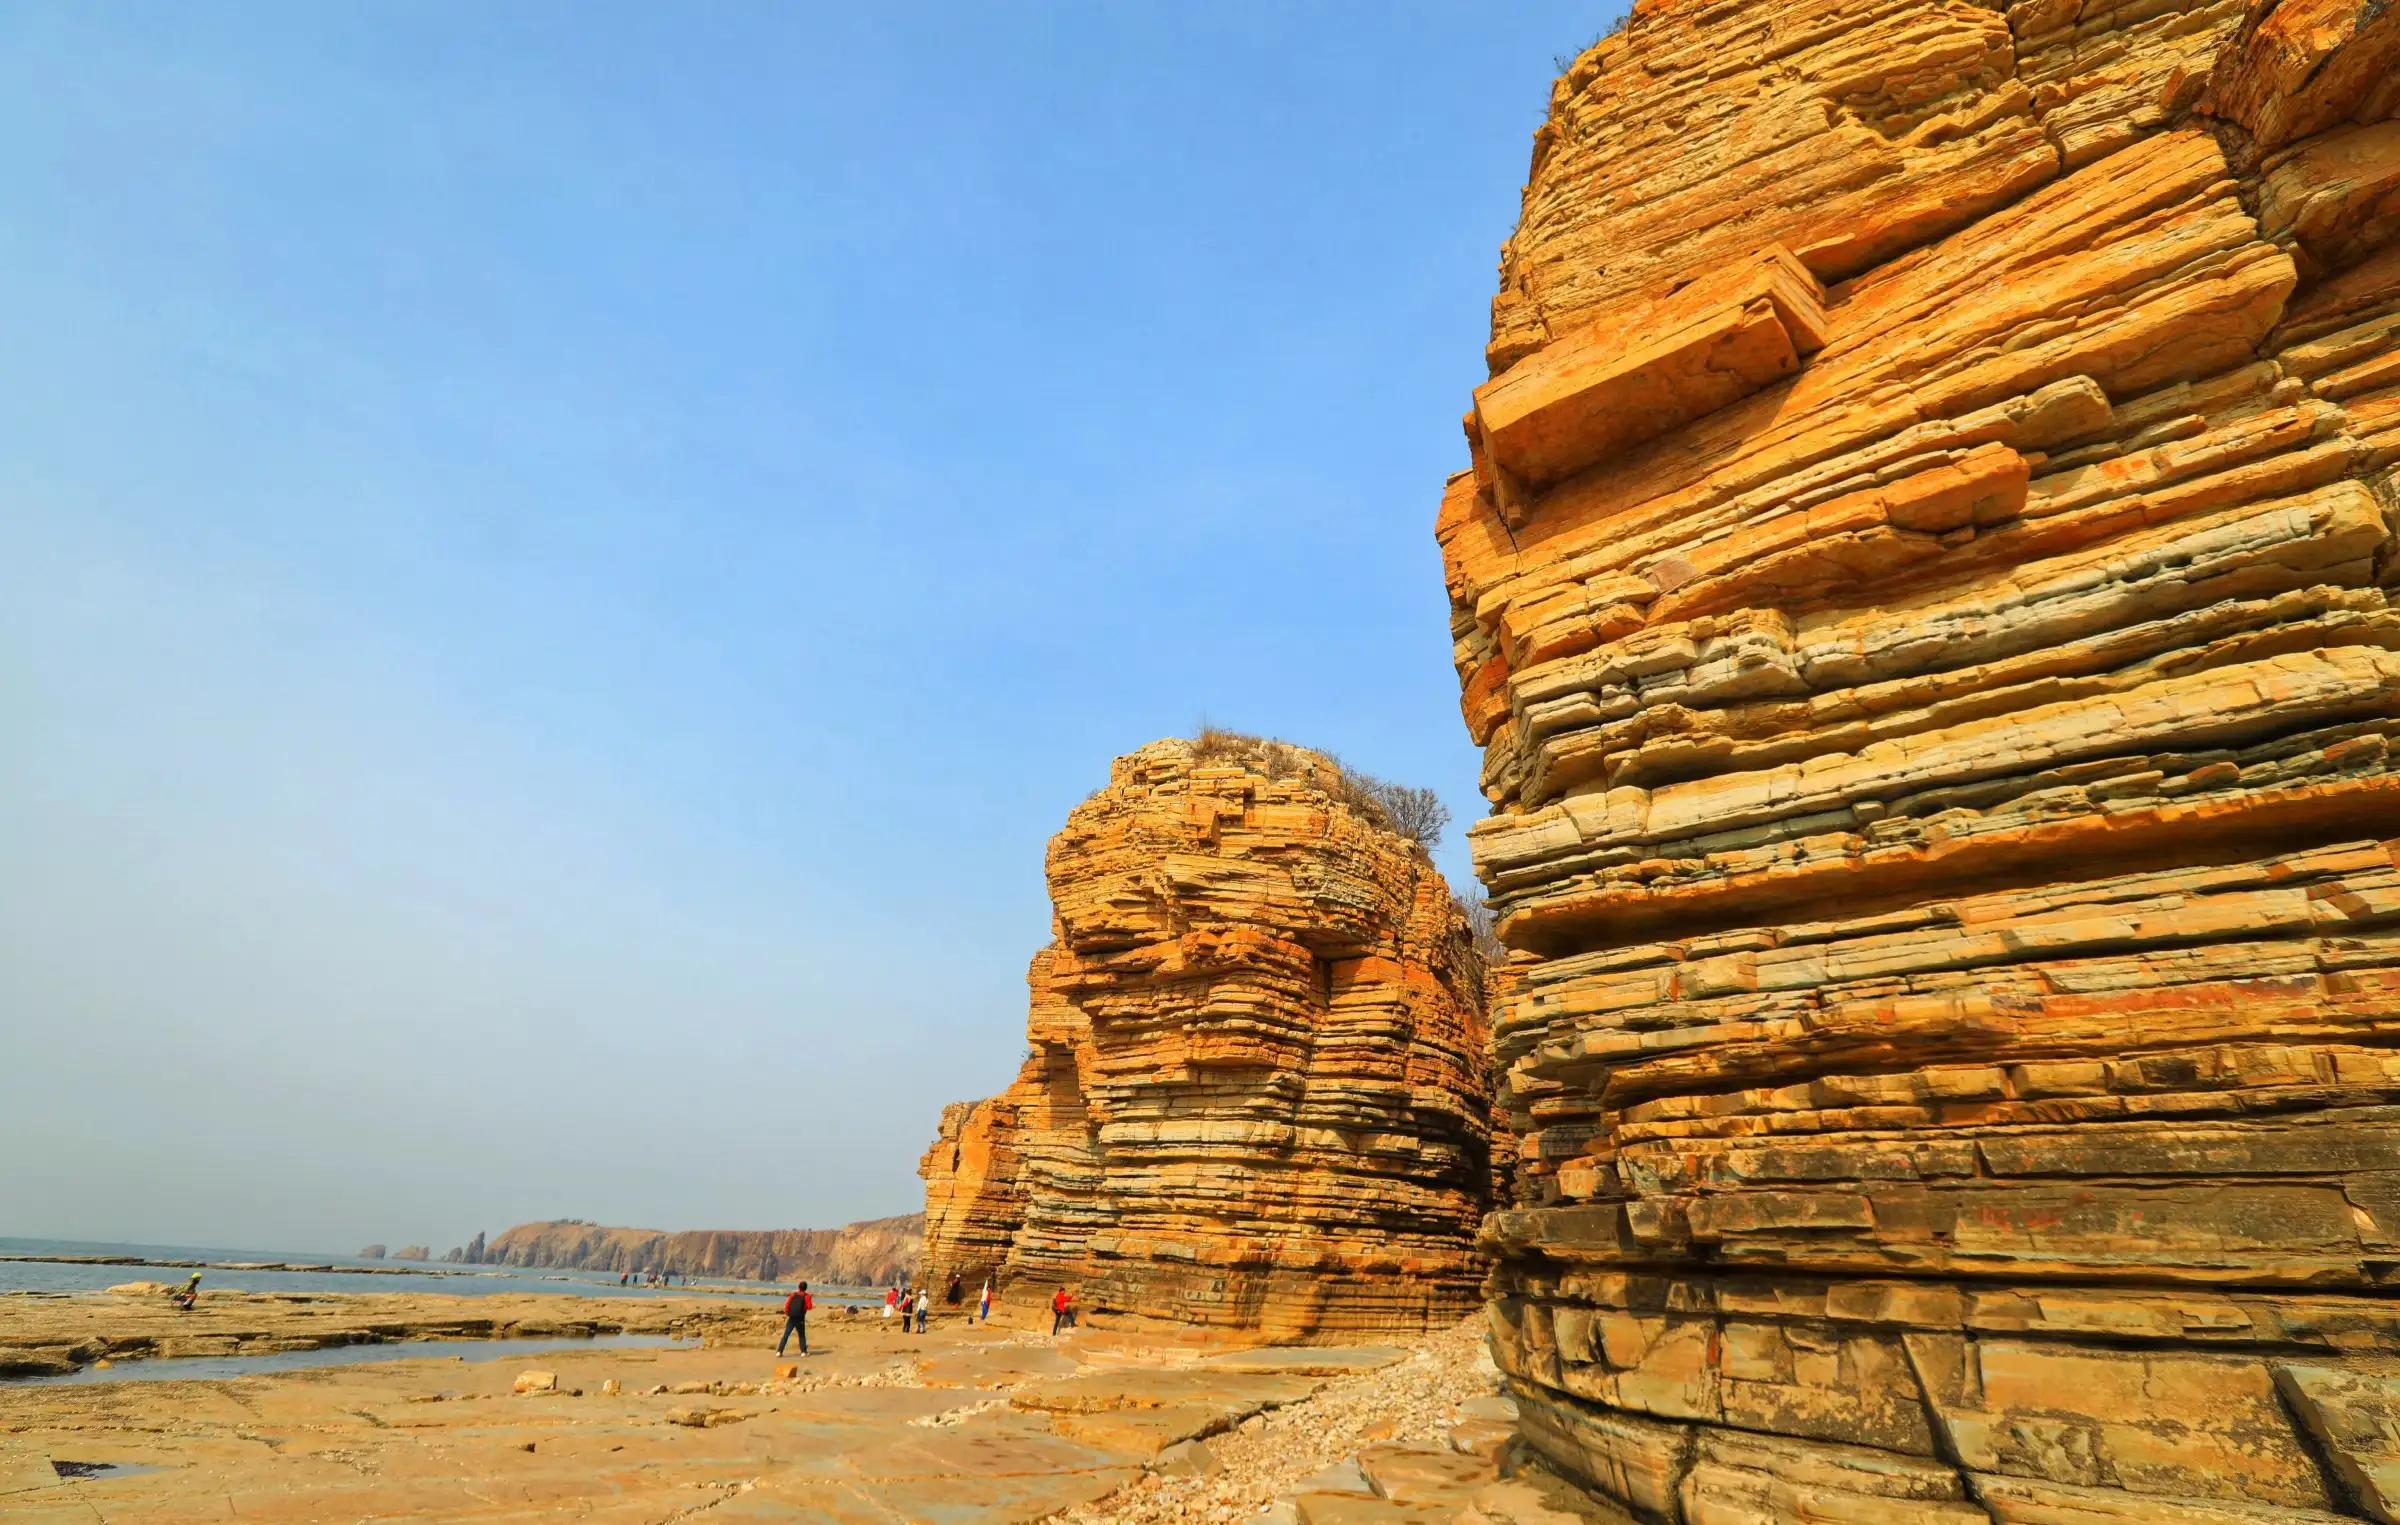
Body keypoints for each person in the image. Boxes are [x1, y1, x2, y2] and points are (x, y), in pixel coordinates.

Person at [778, 1279, 812, 1357]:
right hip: (800, 1318)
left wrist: (788, 1314)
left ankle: (779, 1351)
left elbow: (787, 1305)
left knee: (786, 1335)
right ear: (806, 1288)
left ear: (799, 1287)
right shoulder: (806, 1296)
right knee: (801, 1335)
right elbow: (809, 1307)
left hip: (792, 1317)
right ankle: (803, 1352)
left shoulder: (793, 1295)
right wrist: (809, 1298)